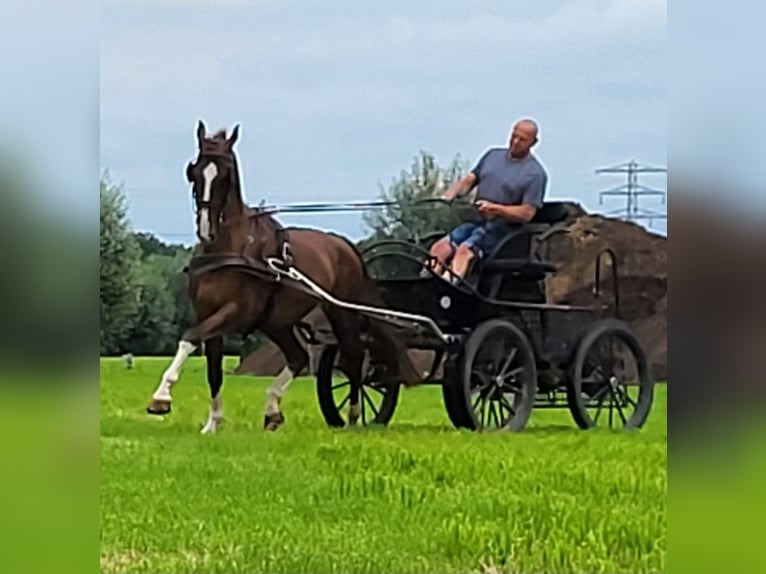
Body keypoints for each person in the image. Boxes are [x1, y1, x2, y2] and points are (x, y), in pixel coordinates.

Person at [429, 118, 548, 281]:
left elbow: (527, 213)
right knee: (440, 247)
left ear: (533, 143)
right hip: (476, 221)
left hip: (502, 230)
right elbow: (470, 179)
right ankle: (427, 280)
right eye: (514, 136)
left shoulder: (534, 174)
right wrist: (450, 194)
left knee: (464, 251)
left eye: (522, 140)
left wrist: (496, 209)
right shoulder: (492, 155)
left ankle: (449, 285)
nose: (515, 142)